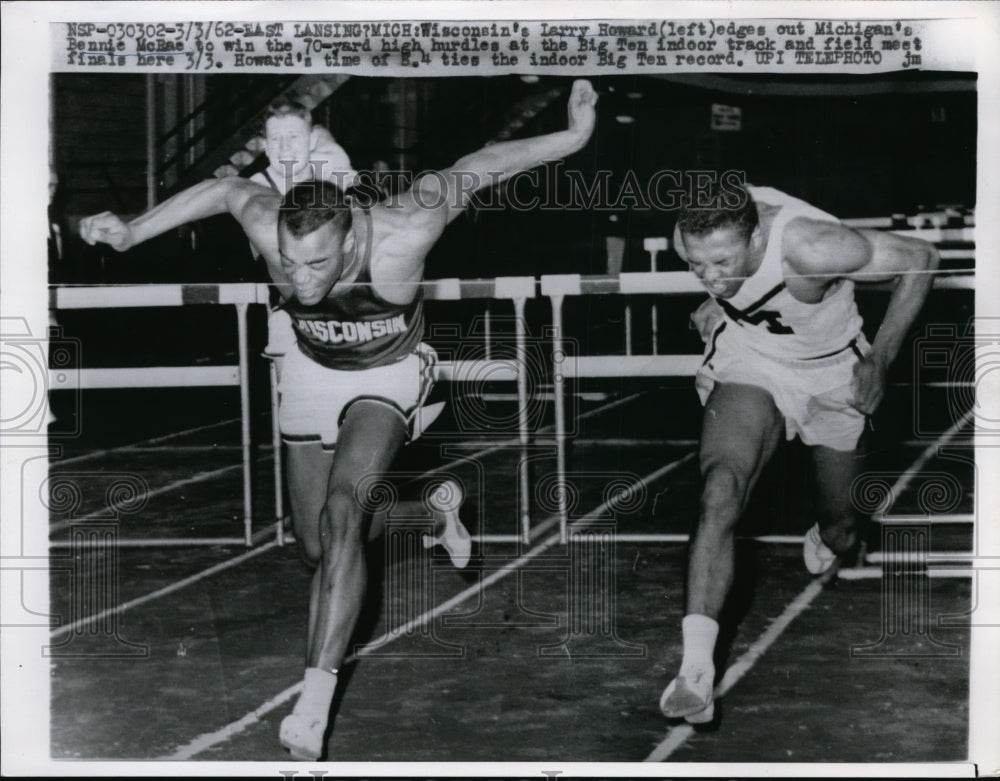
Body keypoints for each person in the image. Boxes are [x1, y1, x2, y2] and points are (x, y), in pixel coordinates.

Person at [80, 79, 598, 760]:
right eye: (289, 265)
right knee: (315, 546)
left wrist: (573, 137)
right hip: (310, 366)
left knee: (345, 511)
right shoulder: (271, 222)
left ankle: (314, 702)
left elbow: (479, 165)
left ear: (350, 237)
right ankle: (429, 516)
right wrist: (134, 230)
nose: (301, 280)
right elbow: (221, 191)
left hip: (390, 371)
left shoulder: (406, 227)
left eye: (318, 264)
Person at [659, 182, 939, 724]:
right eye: (697, 266)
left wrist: (880, 359)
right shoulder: (694, 233)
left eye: (721, 263)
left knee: (843, 532)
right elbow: (720, 269)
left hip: (834, 371)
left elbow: (923, 259)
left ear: (758, 235)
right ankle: (695, 669)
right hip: (753, 362)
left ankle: (827, 531)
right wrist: (714, 298)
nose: (710, 273)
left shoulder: (811, 246)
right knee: (721, 491)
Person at [250, 97, 357, 195]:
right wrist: (333, 191)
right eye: (275, 138)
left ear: (312, 141)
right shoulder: (257, 187)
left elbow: (339, 159)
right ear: (266, 147)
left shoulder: (328, 164)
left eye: (293, 136)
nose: (284, 146)